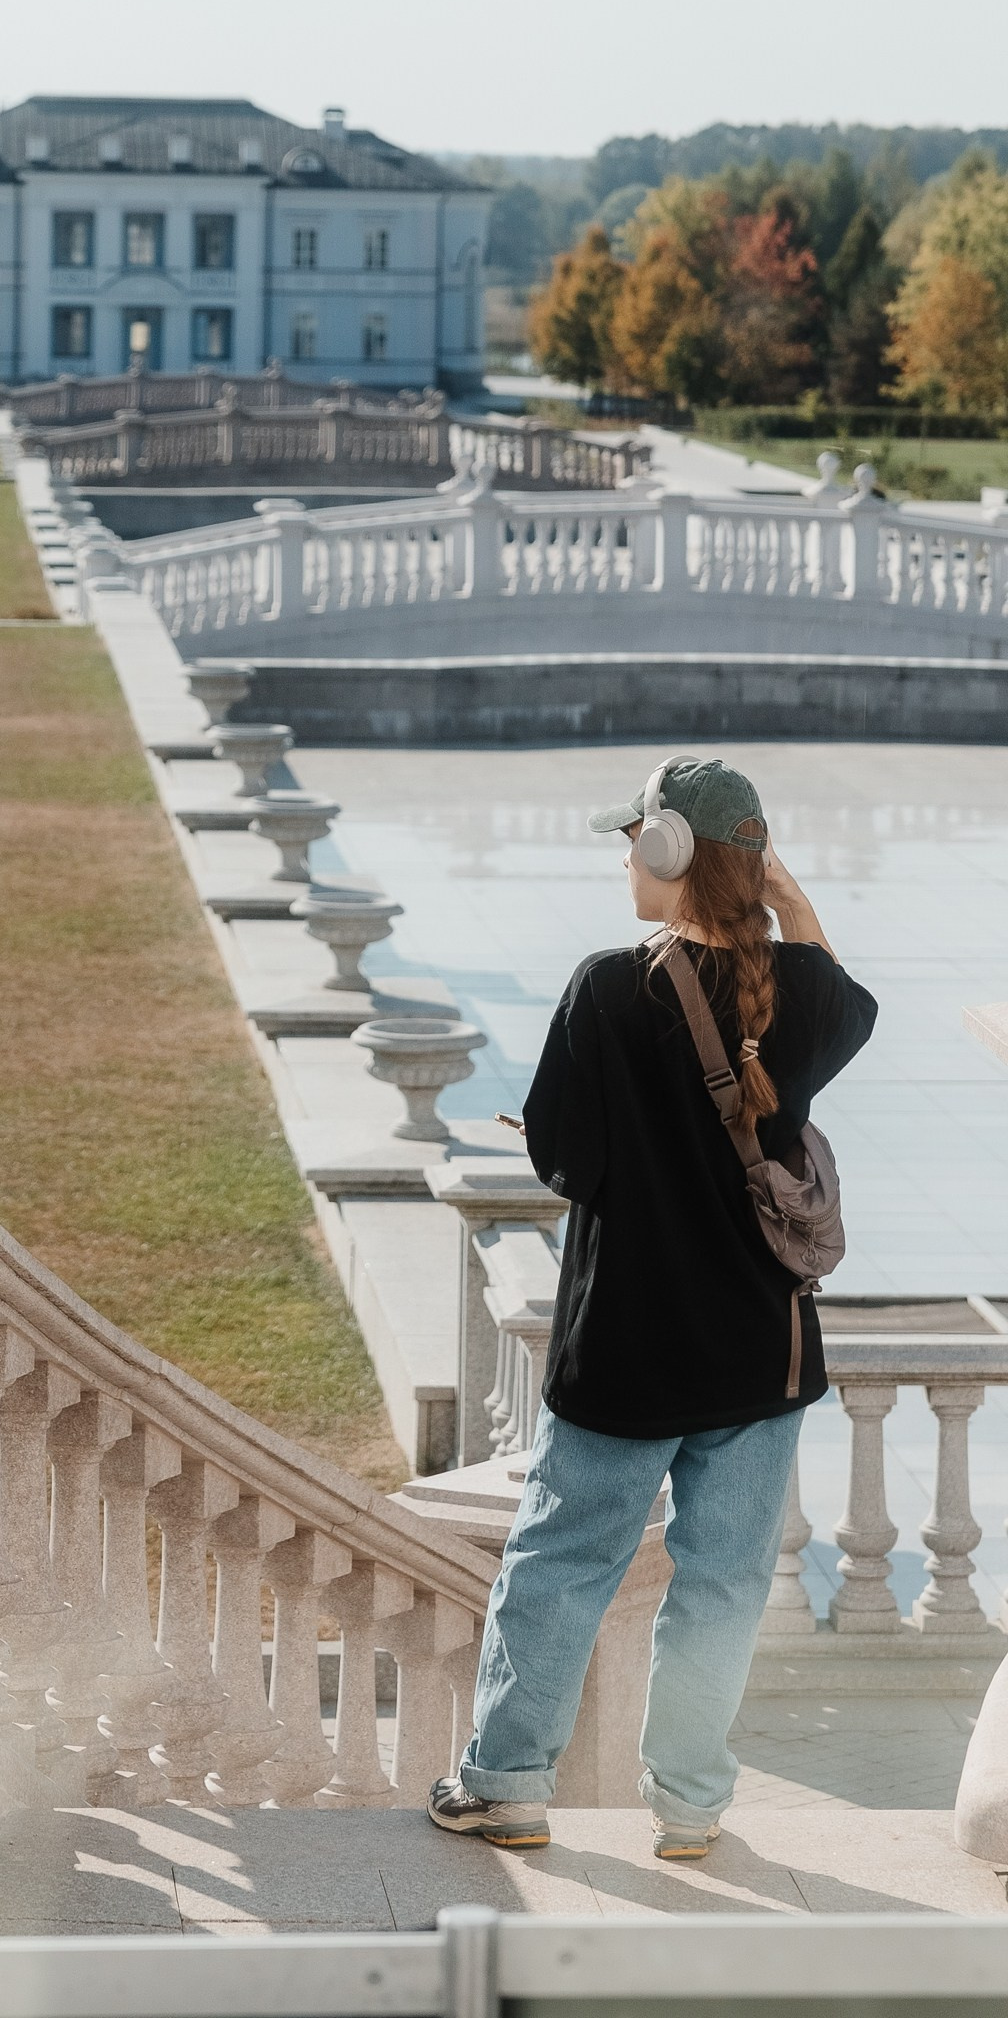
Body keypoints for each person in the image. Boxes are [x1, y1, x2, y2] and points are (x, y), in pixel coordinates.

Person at [427, 753, 875, 1860]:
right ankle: (687, 1809)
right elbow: (836, 987)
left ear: (668, 850)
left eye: (633, 836)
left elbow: (567, 1164)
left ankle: (505, 1783)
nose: (622, 854)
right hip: (758, 1359)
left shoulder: (604, 987)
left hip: (626, 1352)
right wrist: (779, 891)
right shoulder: (807, 996)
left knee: (560, 1564)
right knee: (720, 1588)